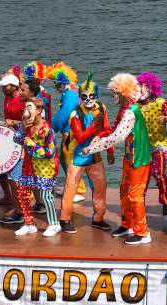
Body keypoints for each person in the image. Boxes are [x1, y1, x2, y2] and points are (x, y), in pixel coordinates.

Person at [83, 73, 153, 245]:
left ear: (123, 94)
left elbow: (117, 137)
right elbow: (115, 131)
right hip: (130, 157)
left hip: (139, 159)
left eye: (115, 93)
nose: (113, 96)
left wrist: (92, 148)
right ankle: (128, 224)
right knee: (124, 191)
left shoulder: (131, 112)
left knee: (135, 196)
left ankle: (143, 233)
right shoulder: (126, 110)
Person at [57, 73, 113, 236]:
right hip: (76, 155)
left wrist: (109, 151)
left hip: (94, 155)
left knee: (101, 185)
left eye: (92, 96)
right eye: (84, 96)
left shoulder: (101, 108)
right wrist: (94, 126)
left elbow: (107, 130)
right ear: (80, 97)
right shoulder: (75, 114)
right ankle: (64, 219)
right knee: (70, 188)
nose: (88, 99)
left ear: (96, 95)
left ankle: (98, 218)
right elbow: (80, 137)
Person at [0, 78, 47, 224]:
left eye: (23, 89)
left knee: (15, 178)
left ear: (31, 92)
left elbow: (31, 125)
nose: (21, 91)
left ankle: (20, 213)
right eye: (20, 88)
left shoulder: (30, 106)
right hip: (28, 143)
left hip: (25, 144)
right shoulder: (30, 103)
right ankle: (39, 203)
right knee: (29, 175)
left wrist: (12, 122)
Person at [13, 98, 61, 236]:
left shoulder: (47, 130)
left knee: (46, 195)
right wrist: (22, 127)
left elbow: (49, 152)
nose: (25, 111)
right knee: (22, 192)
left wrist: (32, 145)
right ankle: (29, 223)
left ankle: (54, 224)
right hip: (29, 165)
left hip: (46, 167)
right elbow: (16, 139)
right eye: (25, 108)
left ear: (39, 111)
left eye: (29, 108)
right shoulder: (26, 126)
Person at [137, 71, 167, 216]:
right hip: (144, 147)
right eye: (140, 86)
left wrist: (166, 118)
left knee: (158, 173)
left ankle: (166, 200)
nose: (142, 89)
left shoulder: (161, 103)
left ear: (152, 88)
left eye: (145, 86)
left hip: (160, 144)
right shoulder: (137, 106)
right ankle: (139, 201)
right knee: (143, 177)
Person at [47, 62, 86, 203]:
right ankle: (72, 187)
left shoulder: (70, 94)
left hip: (71, 134)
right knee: (65, 160)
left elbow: (64, 114)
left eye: (56, 83)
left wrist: (51, 129)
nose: (55, 87)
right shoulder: (71, 92)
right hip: (70, 133)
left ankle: (79, 190)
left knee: (70, 161)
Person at [0, 73, 24, 216]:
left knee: (15, 176)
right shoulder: (7, 96)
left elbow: (29, 122)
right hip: (7, 138)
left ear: (15, 87)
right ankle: (8, 198)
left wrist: (13, 122)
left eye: (5, 86)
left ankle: (19, 208)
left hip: (20, 140)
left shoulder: (23, 100)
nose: (2, 89)